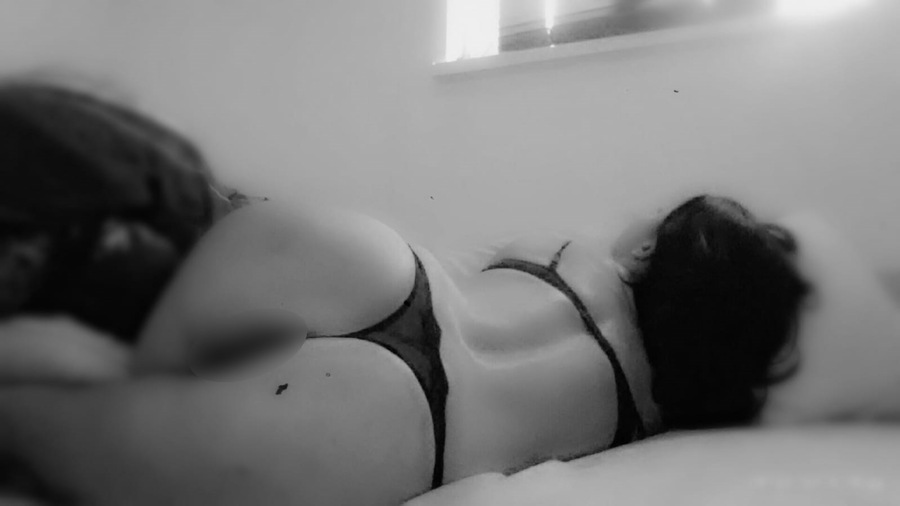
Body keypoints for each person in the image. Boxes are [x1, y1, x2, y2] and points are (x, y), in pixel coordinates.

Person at [1, 82, 886, 506]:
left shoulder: (579, 259)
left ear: (655, 249)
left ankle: (113, 291)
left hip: (373, 270)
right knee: (33, 400)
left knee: (147, 191)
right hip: (388, 436)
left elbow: (488, 259)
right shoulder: (652, 415)